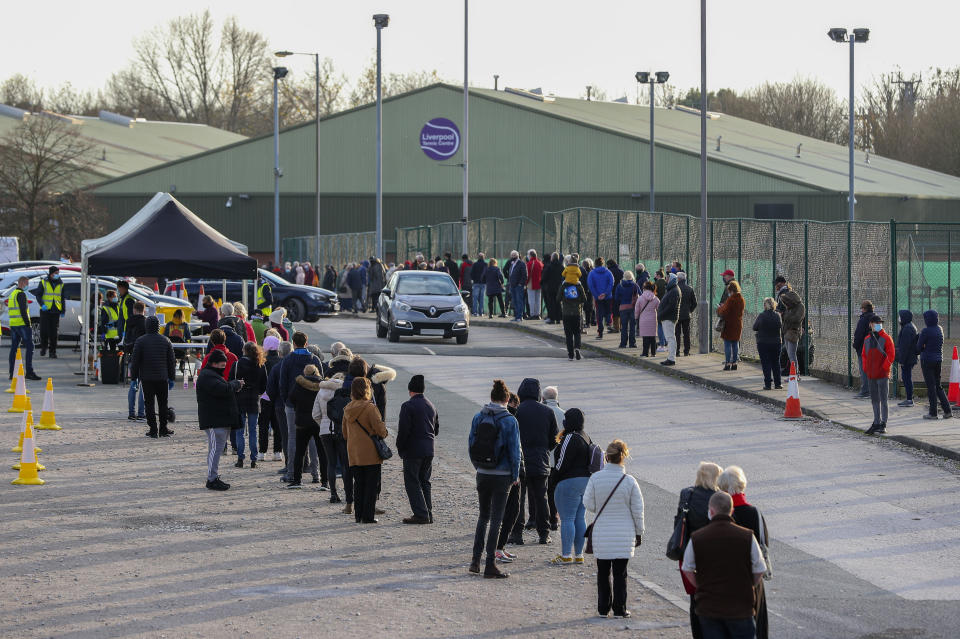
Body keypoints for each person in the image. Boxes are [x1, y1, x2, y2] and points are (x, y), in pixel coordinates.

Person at [681, 492, 767, 639]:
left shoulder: (698, 538)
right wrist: (748, 585)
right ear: (731, 511)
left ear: (711, 511)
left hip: (710, 609)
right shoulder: (747, 536)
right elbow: (760, 569)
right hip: (741, 608)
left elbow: (687, 567)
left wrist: (700, 586)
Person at [583, 440, 644, 619]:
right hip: (624, 533)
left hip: (602, 532)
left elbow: (588, 503)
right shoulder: (630, 481)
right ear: (623, 457)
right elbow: (638, 510)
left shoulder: (595, 478)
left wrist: (599, 507)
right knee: (620, 573)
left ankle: (603, 608)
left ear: (606, 457)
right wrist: (639, 532)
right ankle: (620, 609)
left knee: (603, 572)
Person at [468, 379, 521, 578]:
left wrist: (479, 467)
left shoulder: (478, 417)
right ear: (507, 399)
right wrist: (515, 476)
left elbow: (471, 444)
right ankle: (490, 564)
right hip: (502, 475)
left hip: (483, 473)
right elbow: (515, 452)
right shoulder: (510, 421)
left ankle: (475, 560)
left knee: (483, 517)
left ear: (491, 398)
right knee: (496, 520)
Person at [718, 466, 771, 639]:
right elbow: (764, 544)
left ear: (723, 488)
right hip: (751, 576)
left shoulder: (719, 513)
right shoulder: (753, 512)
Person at [674, 461, 722, 639]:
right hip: (713, 553)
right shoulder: (720, 497)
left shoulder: (687, 494)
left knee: (694, 598)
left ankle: (698, 634)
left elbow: (679, 520)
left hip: (689, 550)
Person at [515, 378, 559, 543]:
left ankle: (517, 533)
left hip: (520, 459)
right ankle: (543, 533)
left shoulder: (517, 411)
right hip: (541, 459)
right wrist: (545, 449)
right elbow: (555, 438)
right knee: (542, 498)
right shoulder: (547, 411)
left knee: (518, 498)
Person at [551, 407, 593, 566]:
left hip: (569, 482)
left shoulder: (570, 437)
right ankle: (579, 555)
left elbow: (560, 463)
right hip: (586, 482)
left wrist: (554, 478)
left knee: (567, 518)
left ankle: (566, 554)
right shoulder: (586, 437)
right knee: (580, 518)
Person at [343, 377, 388, 523]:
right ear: (366, 390)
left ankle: (358, 515)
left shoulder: (347, 409)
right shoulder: (370, 408)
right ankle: (368, 516)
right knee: (371, 485)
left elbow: (344, 433)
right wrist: (383, 433)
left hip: (353, 452)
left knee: (359, 484)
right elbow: (380, 430)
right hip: (370, 452)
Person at [279, 332, 322, 483]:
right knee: (314, 439)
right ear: (306, 342)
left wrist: (287, 401)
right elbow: (320, 382)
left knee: (293, 437)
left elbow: (282, 383)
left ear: (293, 343)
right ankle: (316, 473)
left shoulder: (288, 359)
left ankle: (291, 472)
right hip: (313, 404)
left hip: (292, 404)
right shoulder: (314, 359)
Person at [197, 349, 243, 491]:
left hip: (217, 419)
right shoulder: (207, 376)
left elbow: (223, 389)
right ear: (213, 363)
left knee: (215, 449)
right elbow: (223, 390)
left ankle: (213, 477)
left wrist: (233, 385)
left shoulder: (211, 374)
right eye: (222, 365)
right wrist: (235, 384)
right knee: (215, 450)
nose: (223, 368)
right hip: (214, 420)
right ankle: (211, 479)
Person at [396, 374, 439, 524]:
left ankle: (421, 514)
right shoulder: (431, 405)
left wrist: (400, 447)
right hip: (429, 449)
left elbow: (403, 431)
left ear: (410, 390)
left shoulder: (408, 406)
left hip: (413, 450)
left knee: (412, 481)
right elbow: (436, 429)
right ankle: (428, 512)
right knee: (424, 481)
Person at [130, 316, 176, 438]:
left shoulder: (140, 341)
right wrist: (172, 378)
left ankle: (153, 429)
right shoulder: (166, 340)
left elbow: (135, 362)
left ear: (146, 326)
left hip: (147, 378)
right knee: (163, 404)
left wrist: (133, 378)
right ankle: (163, 428)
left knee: (149, 404)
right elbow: (171, 361)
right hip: (162, 378)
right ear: (158, 327)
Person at [312, 371, 350, 504]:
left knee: (331, 463)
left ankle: (333, 494)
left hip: (325, 430)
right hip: (341, 430)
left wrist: (323, 424)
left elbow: (315, 414)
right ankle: (348, 493)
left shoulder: (321, 391)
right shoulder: (345, 391)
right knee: (345, 463)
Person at [285, 363, 324, 488]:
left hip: (302, 421)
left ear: (305, 373)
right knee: (322, 452)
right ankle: (325, 481)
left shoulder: (299, 384)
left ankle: (297, 480)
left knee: (300, 452)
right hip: (318, 422)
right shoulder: (322, 385)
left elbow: (291, 398)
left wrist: (298, 408)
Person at [235, 341, 267, 468]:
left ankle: (240, 458)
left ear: (244, 351)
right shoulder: (260, 365)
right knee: (253, 430)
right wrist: (258, 392)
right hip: (254, 398)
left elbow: (232, 380)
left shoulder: (237, 364)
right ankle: (254, 458)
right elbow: (265, 384)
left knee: (240, 430)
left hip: (240, 398)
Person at [863, 315, 896, 435]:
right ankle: (876, 422)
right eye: (875, 322)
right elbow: (864, 356)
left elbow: (891, 355)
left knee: (883, 400)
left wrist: (884, 369)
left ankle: (883, 423)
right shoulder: (867, 339)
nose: (877, 324)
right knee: (875, 400)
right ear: (870, 324)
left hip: (882, 375)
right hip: (871, 375)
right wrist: (867, 369)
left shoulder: (886, 338)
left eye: (879, 322)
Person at [917, 310, 952, 419]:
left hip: (927, 360)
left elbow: (918, 348)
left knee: (931, 387)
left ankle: (933, 413)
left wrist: (922, 346)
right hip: (938, 360)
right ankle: (947, 410)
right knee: (938, 385)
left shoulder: (925, 331)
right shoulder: (939, 329)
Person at [6, 276, 41, 381]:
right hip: (22, 325)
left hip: (13, 325)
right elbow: (23, 311)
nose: (28, 286)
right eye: (27, 283)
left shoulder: (12, 294)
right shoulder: (21, 294)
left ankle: (12, 373)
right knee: (30, 347)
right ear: (23, 283)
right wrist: (28, 324)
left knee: (14, 348)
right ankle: (29, 372)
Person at [258, 335, 285, 462]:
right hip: (279, 397)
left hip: (265, 396)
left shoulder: (262, 361)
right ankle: (277, 452)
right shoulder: (282, 361)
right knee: (277, 425)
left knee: (263, 425)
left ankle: (262, 452)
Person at [541, 386, 564, 530]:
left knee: (542, 490)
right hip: (559, 460)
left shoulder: (541, 412)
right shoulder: (564, 414)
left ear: (543, 399)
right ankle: (554, 517)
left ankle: (542, 518)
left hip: (544, 458)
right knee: (554, 490)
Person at [557, 263, 586, 360]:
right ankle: (577, 347)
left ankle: (570, 354)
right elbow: (584, 299)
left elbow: (558, 298)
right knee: (577, 332)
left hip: (566, 313)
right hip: (577, 313)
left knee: (568, 334)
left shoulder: (564, 286)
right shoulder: (578, 286)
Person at [123, 302, 147, 421]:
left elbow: (126, 338)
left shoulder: (129, 322)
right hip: (144, 356)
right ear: (144, 310)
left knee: (133, 384)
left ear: (134, 310)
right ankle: (141, 413)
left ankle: (131, 413)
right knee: (144, 385)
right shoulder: (146, 322)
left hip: (133, 355)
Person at [753, 298, 784, 390]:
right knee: (776, 363)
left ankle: (768, 384)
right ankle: (778, 383)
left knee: (766, 363)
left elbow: (755, 327)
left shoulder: (762, 315)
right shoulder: (778, 315)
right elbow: (780, 326)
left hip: (763, 343)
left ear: (765, 305)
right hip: (776, 343)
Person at [776, 280, 805, 376]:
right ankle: (793, 373)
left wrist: (785, 316)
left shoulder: (800, 307)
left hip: (793, 333)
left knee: (792, 355)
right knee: (790, 354)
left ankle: (795, 374)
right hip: (787, 332)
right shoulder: (790, 308)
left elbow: (796, 319)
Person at [34, 265, 63, 358]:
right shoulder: (43, 282)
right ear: (51, 274)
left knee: (54, 333)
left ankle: (52, 352)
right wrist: (42, 304)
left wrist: (63, 310)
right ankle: (43, 347)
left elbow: (62, 298)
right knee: (44, 331)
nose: (57, 275)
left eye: (58, 273)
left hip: (55, 311)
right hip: (45, 311)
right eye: (56, 273)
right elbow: (38, 295)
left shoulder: (60, 283)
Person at [718, 281, 745, 371]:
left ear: (731, 290)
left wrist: (720, 308)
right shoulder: (741, 299)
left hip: (729, 324)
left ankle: (728, 363)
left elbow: (724, 312)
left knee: (727, 344)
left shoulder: (731, 300)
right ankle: (734, 363)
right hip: (738, 323)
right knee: (735, 343)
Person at [895, 310, 919, 408]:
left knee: (906, 378)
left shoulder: (907, 329)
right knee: (906, 377)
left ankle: (909, 399)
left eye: (900, 316)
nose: (899, 318)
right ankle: (909, 399)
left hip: (908, 358)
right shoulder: (908, 326)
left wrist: (902, 360)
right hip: (909, 357)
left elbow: (905, 347)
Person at [853, 300, 875, 399]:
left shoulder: (863, 319)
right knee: (872, 369)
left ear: (864, 309)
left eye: (862, 308)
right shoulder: (876, 319)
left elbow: (859, 335)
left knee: (864, 370)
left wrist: (855, 345)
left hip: (863, 348)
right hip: (874, 348)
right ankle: (872, 390)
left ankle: (865, 391)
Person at [657, 274, 681, 366]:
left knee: (670, 338)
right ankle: (670, 357)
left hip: (669, 317)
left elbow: (671, 306)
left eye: (667, 278)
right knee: (670, 338)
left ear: (671, 279)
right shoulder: (671, 289)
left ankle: (671, 358)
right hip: (667, 317)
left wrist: (661, 314)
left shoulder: (674, 290)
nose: (666, 280)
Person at [587, 259, 614, 338]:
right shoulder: (608, 272)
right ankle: (609, 322)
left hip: (598, 297)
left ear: (595, 264)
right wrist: (606, 293)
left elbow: (590, 285)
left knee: (599, 314)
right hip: (607, 296)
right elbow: (611, 283)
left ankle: (600, 332)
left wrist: (596, 295)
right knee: (609, 310)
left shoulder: (592, 273)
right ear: (603, 263)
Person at [613, 270, 639, 349]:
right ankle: (632, 343)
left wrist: (622, 300)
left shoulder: (620, 285)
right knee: (632, 326)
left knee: (624, 326)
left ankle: (623, 343)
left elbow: (616, 298)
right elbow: (640, 295)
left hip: (623, 307)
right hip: (632, 307)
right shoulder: (635, 285)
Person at [634, 281, 661, 357]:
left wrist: (636, 317)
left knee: (645, 337)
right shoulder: (656, 299)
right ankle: (653, 353)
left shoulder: (641, 298)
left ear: (644, 288)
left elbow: (637, 309)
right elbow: (659, 309)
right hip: (653, 319)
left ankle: (645, 353)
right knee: (652, 336)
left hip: (643, 319)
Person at [675, 272, 698, 357]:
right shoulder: (690, 289)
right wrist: (690, 310)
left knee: (677, 333)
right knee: (686, 334)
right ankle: (686, 351)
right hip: (686, 315)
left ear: (679, 279)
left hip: (676, 315)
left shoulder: (675, 288)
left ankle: (676, 351)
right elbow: (695, 303)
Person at [541, 252, 563, 325]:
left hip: (550, 287)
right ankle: (558, 318)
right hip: (559, 287)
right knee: (558, 303)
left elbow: (544, 277)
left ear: (552, 258)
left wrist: (543, 282)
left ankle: (552, 318)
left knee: (551, 303)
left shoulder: (549, 266)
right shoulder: (561, 266)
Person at [508, 251, 528, 322]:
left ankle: (519, 316)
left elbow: (525, 275)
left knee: (519, 301)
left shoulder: (521, 264)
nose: (512, 256)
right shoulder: (512, 263)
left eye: (514, 255)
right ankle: (516, 316)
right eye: (512, 255)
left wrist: (521, 283)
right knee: (515, 301)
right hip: (513, 285)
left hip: (518, 286)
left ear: (517, 256)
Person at [526, 250, 543, 320]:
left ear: (530, 255)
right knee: (538, 300)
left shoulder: (529, 263)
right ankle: (537, 314)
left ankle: (532, 314)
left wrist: (525, 283)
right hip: (539, 284)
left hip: (531, 284)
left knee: (531, 300)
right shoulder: (540, 263)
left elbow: (527, 275)